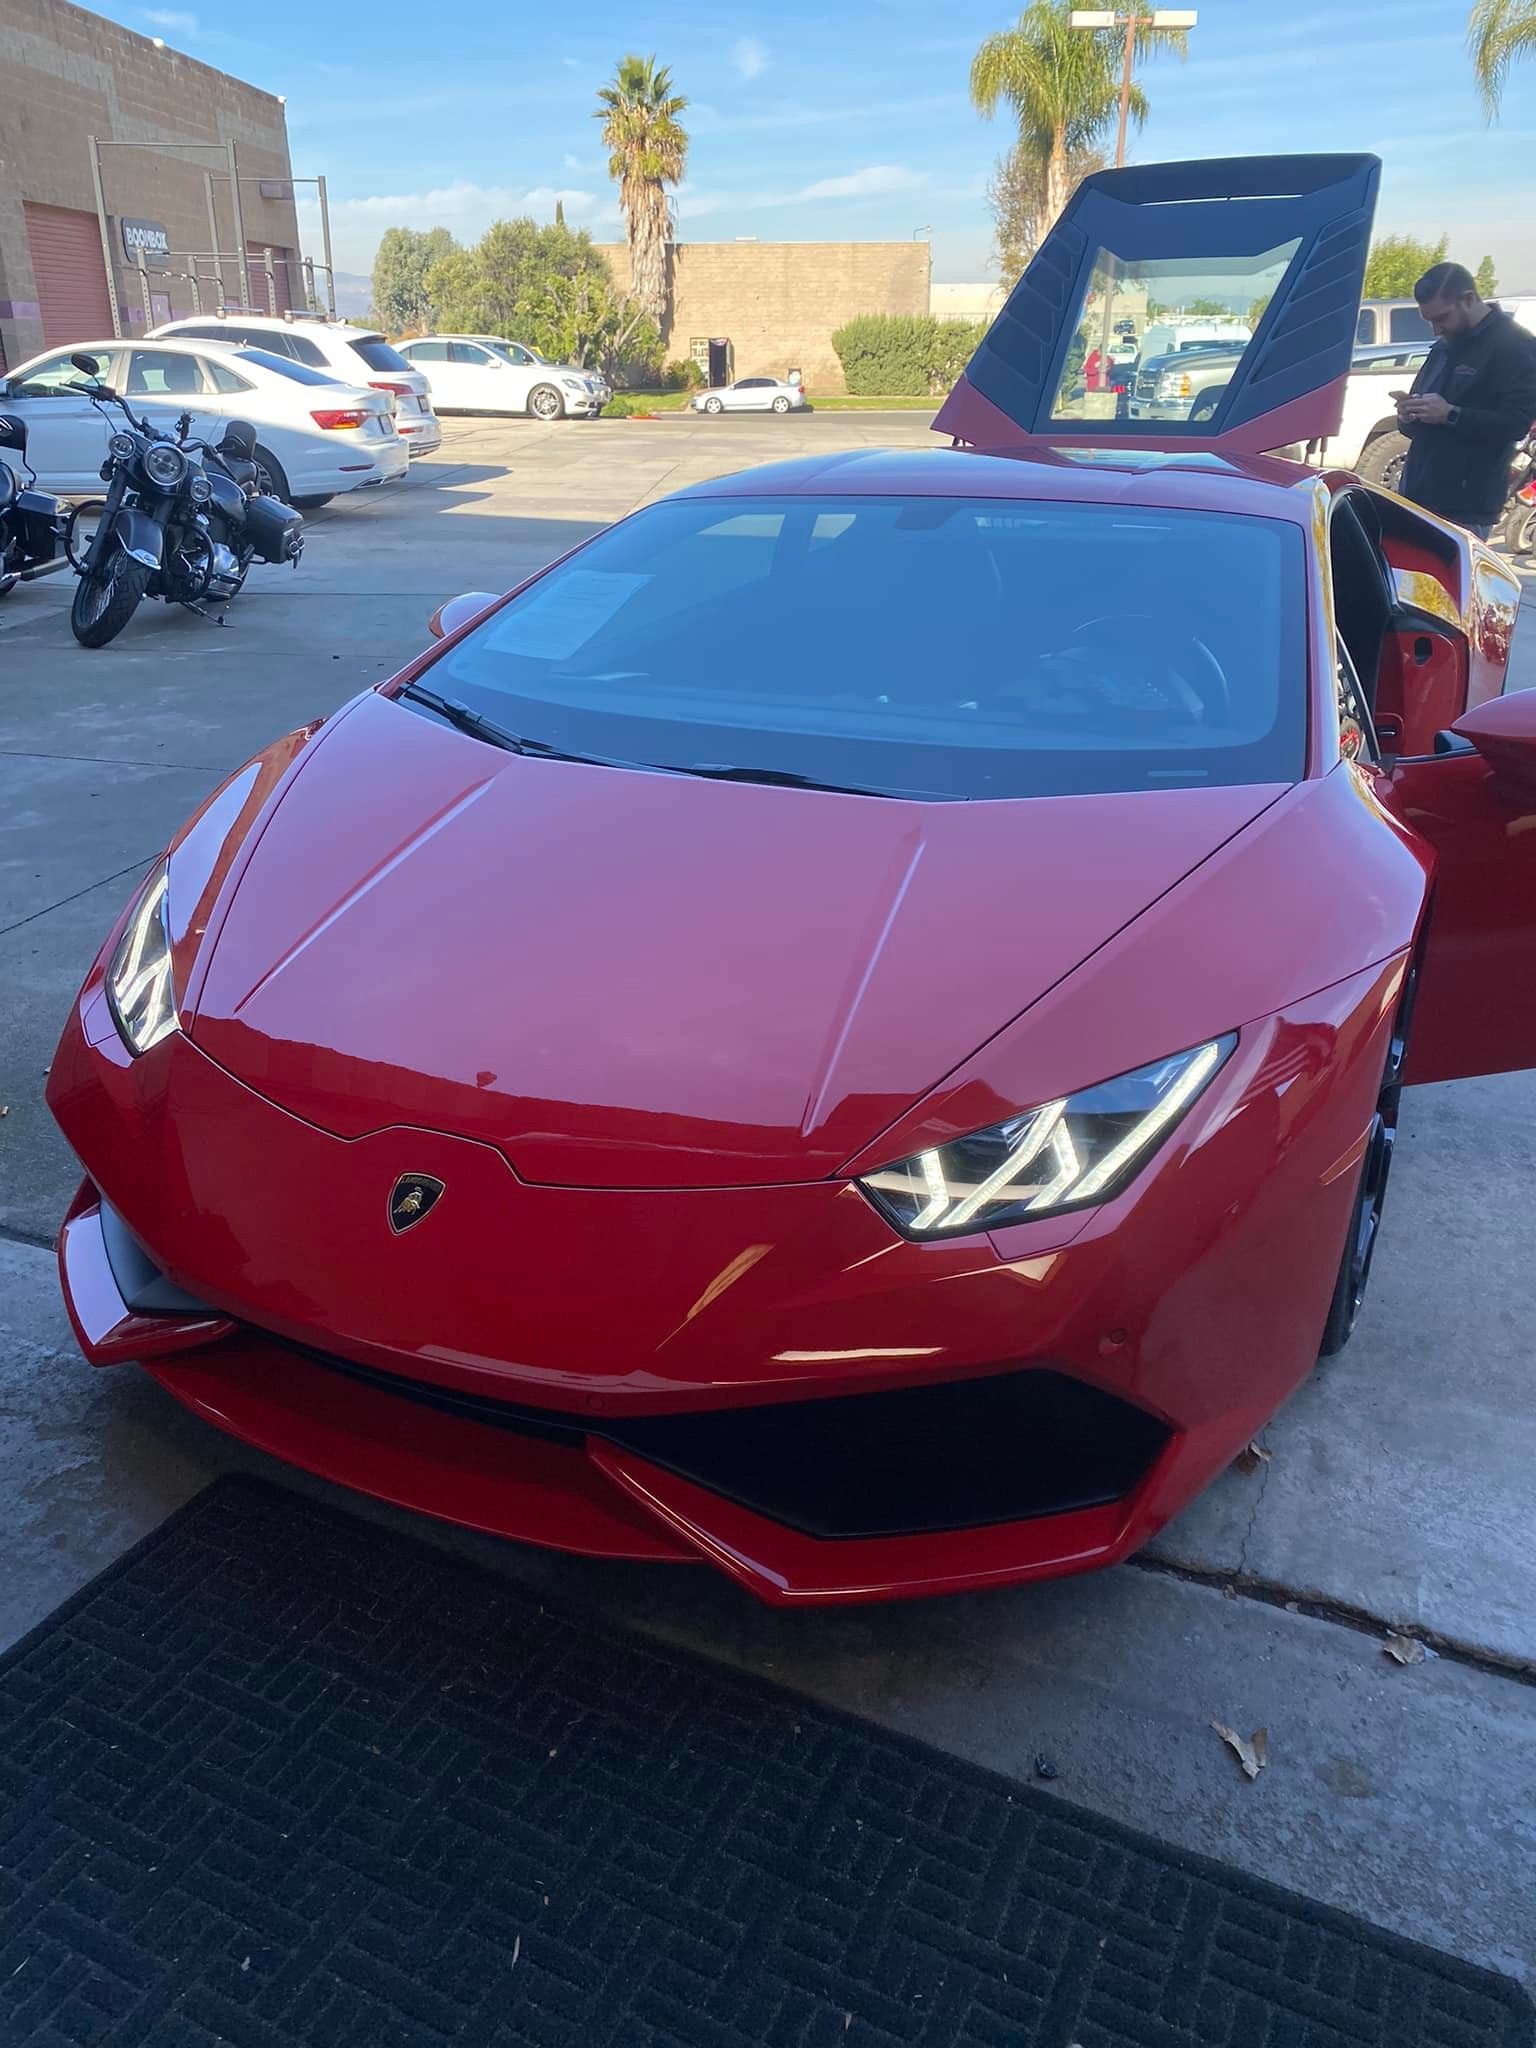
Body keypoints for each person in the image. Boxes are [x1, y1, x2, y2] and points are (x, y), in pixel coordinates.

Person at [1393, 261, 1536, 539]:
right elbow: (1421, 420)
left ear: (1468, 299)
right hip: (1418, 495)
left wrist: (1450, 414)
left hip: (1465, 507)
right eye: (1430, 321)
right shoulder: (1444, 346)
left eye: (1442, 318)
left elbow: (1516, 424)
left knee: (1454, 584)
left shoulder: (1515, 346)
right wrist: (1408, 413)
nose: (1436, 329)